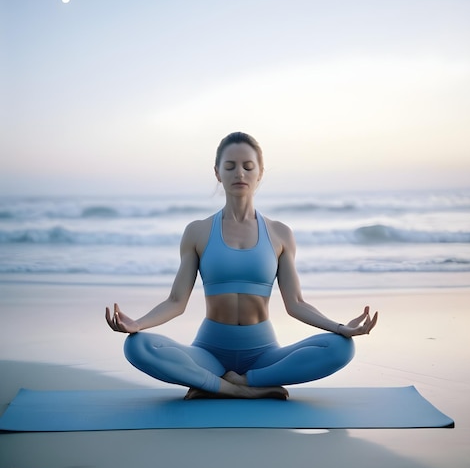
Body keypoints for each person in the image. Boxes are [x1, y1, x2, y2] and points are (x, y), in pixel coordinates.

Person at [106, 132, 378, 400]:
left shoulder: (280, 233)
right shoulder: (197, 231)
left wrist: (340, 327)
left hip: (264, 354)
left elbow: (296, 304)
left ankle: (238, 382)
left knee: (341, 348)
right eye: (230, 166)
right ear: (217, 173)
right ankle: (236, 389)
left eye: (248, 167)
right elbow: (176, 301)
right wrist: (137, 324)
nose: (239, 173)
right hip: (208, 353)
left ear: (260, 173)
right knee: (137, 346)